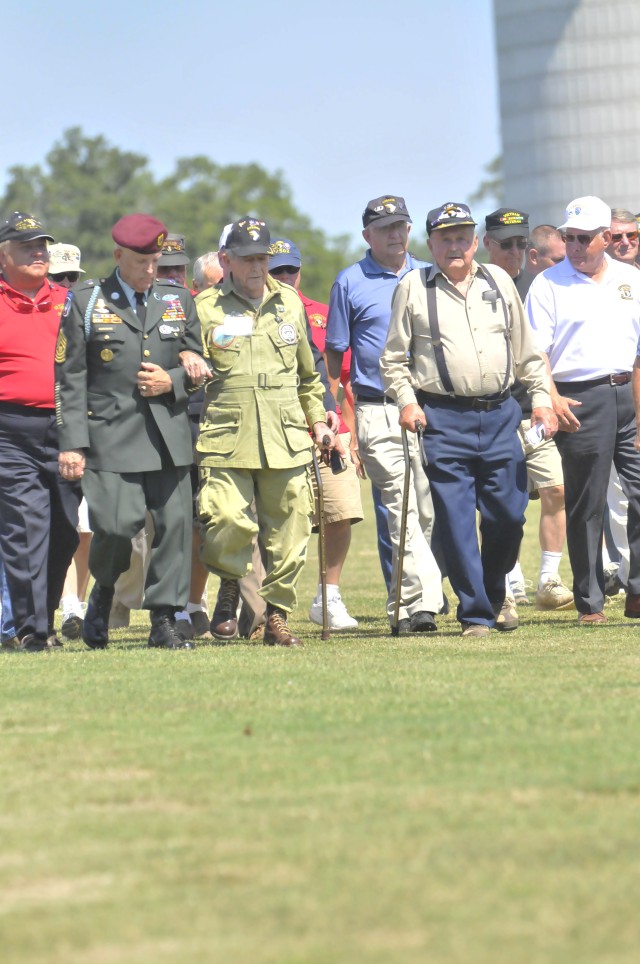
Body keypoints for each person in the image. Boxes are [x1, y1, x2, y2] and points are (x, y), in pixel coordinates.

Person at [381, 201, 556, 637]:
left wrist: (541, 400)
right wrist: (406, 401)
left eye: (462, 238)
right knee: (456, 522)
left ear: (476, 242)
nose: (455, 246)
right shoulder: (413, 287)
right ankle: (476, 613)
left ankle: (494, 590)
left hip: (500, 414)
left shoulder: (497, 280)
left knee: (509, 517)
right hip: (442, 417)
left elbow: (527, 352)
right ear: (431, 244)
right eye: (446, 239)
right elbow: (392, 360)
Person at [55, 213, 207, 650]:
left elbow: (196, 360)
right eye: (142, 262)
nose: (151, 270)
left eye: (157, 261)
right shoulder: (87, 301)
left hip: (168, 437)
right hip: (110, 437)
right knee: (117, 528)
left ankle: (163, 620)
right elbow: (68, 377)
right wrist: (72, 444)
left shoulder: (178, 300)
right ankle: (102, 590)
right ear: (119, 255)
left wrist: (176, 379)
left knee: (176, 527)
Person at [195, 217, 335, 648]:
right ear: (227, 260)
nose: (257, 268)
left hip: (285, 432)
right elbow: (190, 366)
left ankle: (277, 616)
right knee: (225, 519)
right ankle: (232, 582)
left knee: (291, 530)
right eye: (247, 259)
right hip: (226, 432)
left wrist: (319, 421)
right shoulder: (206, 308)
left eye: (263, 258)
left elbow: (310, 377)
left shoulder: (289, 304)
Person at [326, 194, 443, 632]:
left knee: (426, 512)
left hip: (431, 408)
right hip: (378, 408)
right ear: (366, 236)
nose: (395, 234)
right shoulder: (349, 282)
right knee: (401, 507)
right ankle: (422, 604)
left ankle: (405, 600)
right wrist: (337, 420)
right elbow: (334, 358)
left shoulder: (431, 276)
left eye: (401, 226)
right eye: (385, 228)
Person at [526, 195, 640, 625]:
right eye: (568, 237)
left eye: (584, 238)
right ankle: (590, 601)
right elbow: (535, 353)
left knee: (638, 494)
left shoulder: (631, 278)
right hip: (578, 397)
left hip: (628, 392)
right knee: (587, 504)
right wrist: (550, 397)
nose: (574, 246)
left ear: (606, 238)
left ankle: (637, 590)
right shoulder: (548, 284)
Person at [268, 237, 363, 631]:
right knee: (276, 521)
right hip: (274, 431)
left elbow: (344, 381)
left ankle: (328, 597)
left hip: (325, 431)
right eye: (276, 271)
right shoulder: (251, 315)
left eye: (290, 269)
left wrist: (350, 437)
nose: (284, 277)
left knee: (341, 509)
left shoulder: (322, 316)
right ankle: (261, 605)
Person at [0, 211, 82, 651]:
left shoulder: (71, 301)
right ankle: (32, 629)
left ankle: (43, 617)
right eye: (27, 245)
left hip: (68, 430)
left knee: (66, 529)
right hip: (10, 431)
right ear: (3, 255)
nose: (39, 252)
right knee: (25, 528)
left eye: (42, 245)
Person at [484, 211, 573, 614]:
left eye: (521, 244)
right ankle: (508, 576)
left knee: (556, 489)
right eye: (507, 244)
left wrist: (548, 397)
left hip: (534, 412)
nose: (515, 251)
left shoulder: (540, 287)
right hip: (496, 412)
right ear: (488, 244)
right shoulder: (477, 285)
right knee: (505, 504)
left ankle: (549, 579)